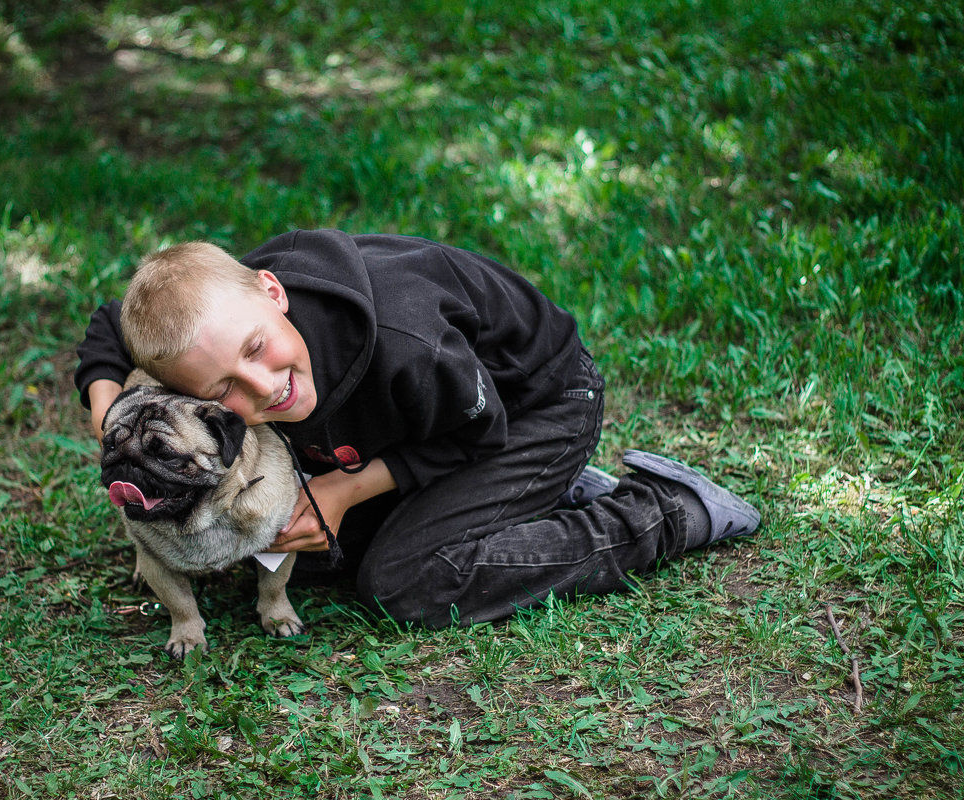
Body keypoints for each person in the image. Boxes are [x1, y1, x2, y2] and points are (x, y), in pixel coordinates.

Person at [75, 230, 760, 628]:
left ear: (273, 291)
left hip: (528, 410)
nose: (261, 389)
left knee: (405, 581)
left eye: (256, 352)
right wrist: (114, 419)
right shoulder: (216, 316)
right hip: (425, 423)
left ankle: (667, 513)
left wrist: (340, 493)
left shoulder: (410, 343)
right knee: (301, 554)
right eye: (221, 388)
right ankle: (530, 497)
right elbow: (113, 322)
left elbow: (476, 434)